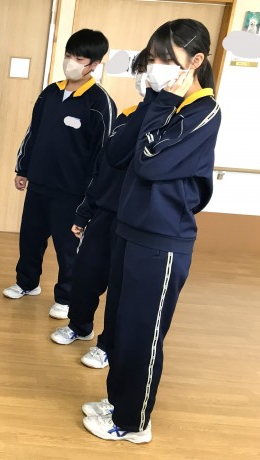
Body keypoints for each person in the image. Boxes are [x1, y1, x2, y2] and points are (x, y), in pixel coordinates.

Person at [81, 19, 221, 443]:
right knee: (121, 327)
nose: (155, 65)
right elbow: (117, 152)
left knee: (143, 333)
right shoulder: (163, 103)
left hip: (162, 242)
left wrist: (163, 103)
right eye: (153, 57)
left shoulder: (203, 111)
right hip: (128, 229)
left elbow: (149, 162)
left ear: (195, 61)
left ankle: (133, 422)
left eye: (164, 58)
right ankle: (118, 402)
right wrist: (153, 101)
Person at [2, 29, 116, 321]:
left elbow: (103, 155)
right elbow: (33, 133)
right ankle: (27, 282)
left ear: (94, 64)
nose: (71, 63)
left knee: (68, 250)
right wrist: (23, 168)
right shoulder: (50, 93)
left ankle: (66, 298)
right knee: (30, 239)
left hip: (73, 193)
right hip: (39, 184)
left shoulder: (100, 102)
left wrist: (92, 198)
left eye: (79, 59)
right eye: (68, 55)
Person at [49, 50, 151, 371]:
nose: (143, 78)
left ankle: (107, 345)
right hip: (104, 211)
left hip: (135, 221)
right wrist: (85, 211)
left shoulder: (166, 122)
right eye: (141, 71)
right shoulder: (127, 115)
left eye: (148, 71)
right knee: (86, 274)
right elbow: (103, 169)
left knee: (121, 289)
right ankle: (79, 326)